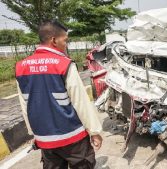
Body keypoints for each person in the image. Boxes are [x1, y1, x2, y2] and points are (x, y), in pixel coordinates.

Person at [15, 20, 103, 169]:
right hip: (73, 138)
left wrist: (35, 134)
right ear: (54, 40)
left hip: (45, 140)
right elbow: (80, 101)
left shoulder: (20, 67)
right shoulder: (64, 64)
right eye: (65, 40)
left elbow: (25, 105)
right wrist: (94, 131)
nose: (66, 44)